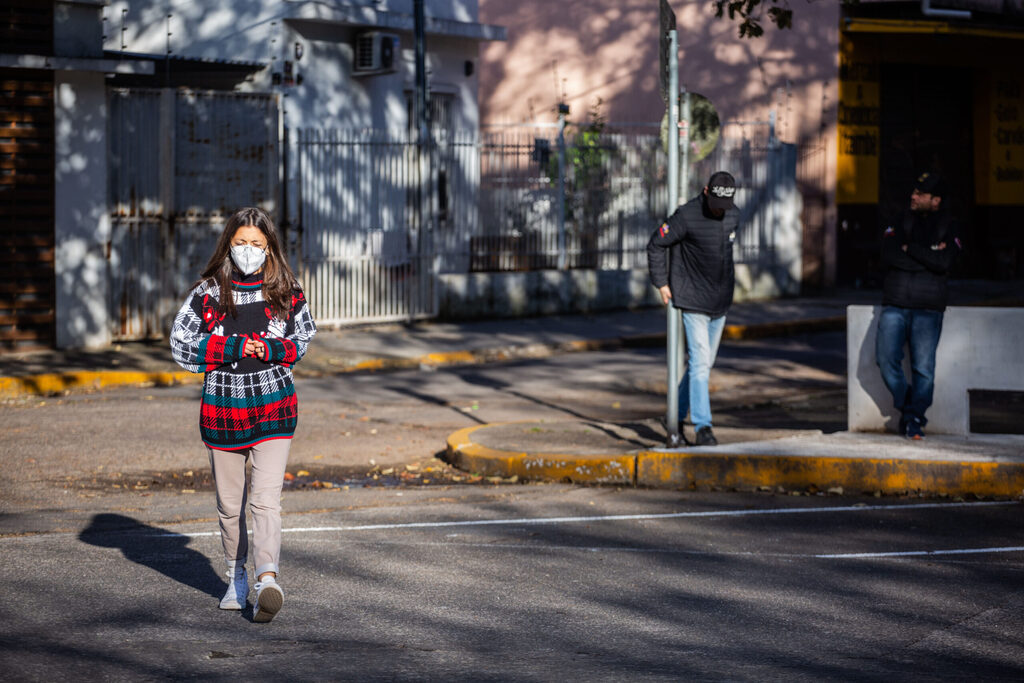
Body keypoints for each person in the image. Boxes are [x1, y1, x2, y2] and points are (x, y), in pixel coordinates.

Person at [171, 207, 317, 622]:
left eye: (256, 244)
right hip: (223, 411)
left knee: (266, 501)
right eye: (240, 243)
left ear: (269, 246)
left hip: (275, 407)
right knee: (229, 506)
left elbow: (303, 339)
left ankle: (266, 578)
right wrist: (231, 348)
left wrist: (271, 349)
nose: (248, 251)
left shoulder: (286, 289)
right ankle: (236, 576)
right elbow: (181, 345)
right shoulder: (208, 293)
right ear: (228, 245)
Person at [647, 171, 740, 446]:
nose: (720, 212)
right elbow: (656, 244)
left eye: (725, 207)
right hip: (692, 300)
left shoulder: (733, 215)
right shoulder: (686, 216)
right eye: (716, 206)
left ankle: (674, 413)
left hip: (720, 303)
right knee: (700, 362)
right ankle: (703, 427)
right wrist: (661, 283)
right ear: (706, 191)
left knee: (704, 364)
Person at [876, 171, 961, 440]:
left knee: (923, 368)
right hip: (895, 303)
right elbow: (888, 256)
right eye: (913, 192)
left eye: (920, 194)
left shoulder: (950, 225)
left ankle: (914, 419)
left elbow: (945, 263)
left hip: (928, 307)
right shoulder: (899, 221)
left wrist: (910, 249)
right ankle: (910, 409)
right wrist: (929, 256)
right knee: (886, 359)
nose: (913, 197)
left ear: (935, 200)